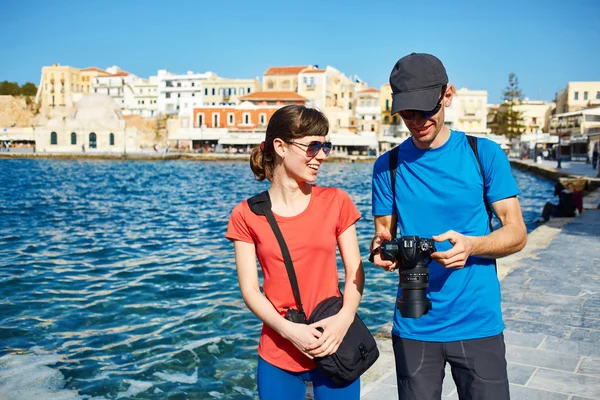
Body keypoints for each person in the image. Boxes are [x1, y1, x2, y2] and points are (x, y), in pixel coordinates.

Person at [370, 53, 527, 400]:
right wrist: (381, 250)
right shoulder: (387, 166)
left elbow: (516, 232)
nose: (417, 121)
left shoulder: (483, 154)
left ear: (448, 95)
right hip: (414, 323)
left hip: (477, 322)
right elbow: (383, 234)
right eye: (407, 113)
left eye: (426, 109)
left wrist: (472, 246)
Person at [226, 105, 364, 399]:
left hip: (336, 344)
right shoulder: (246, 214)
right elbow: (250, 290)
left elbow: (355, 271)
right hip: (278, 352)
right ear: (280, 147)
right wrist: (290, 331)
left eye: (325, 145)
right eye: (313, 146)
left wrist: (345, 319)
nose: (322, 155)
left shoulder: (337, 201)